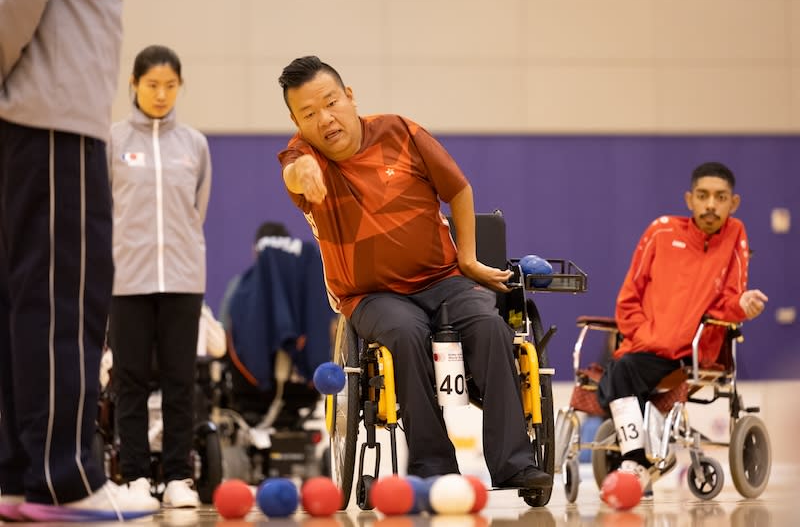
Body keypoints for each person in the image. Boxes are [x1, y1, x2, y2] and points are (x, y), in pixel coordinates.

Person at [276, 55, 551, 490]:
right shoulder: (304, 156)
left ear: (349, 96)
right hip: (370, 295)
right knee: (404, 333)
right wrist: (301, 169)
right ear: (296, 121)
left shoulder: (401, 131)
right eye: (308, 114)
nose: (325, 119)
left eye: (331, 103)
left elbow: (458, 188)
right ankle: (433, 466)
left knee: (492, 328)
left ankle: (514, 463)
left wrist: (467, 259)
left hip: (442, 277)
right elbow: (293, 170)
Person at [0, 0, 160, 522]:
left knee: (22, 302)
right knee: (60, 298)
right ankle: (60, 477)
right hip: (52, 120)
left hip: (34, 119)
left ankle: (19, 475)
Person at [597, 162, 768, 491]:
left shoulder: (735, 235)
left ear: (733, 204)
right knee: (617, 373)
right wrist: (648, 336)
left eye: (720, 197)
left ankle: (637, 460)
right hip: (650, 348)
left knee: (614, 382)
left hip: (695, 353)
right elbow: (628, 299)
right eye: (703, 196)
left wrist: (742, 305)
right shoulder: (660, 231)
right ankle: (639, 458)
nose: (710, 205)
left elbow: (728, 301)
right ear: (689, 199)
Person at [107, 44, 212, 508]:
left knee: (179, 379)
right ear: (133, 85)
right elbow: (103, 210)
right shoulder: (112, 142)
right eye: (152, 85)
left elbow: (197, 210)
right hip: (127, 280)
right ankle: (131, 477)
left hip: (184, 281)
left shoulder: (195, 145)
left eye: (170, 85)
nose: (161, 94)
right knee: (128, 379)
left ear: (180, 87)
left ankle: (177, 479)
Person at [218, 221, 291, 333]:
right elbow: (224, 332)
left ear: (255, 250)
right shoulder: (236, 287)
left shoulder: (236, 287)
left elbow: (223, 334)